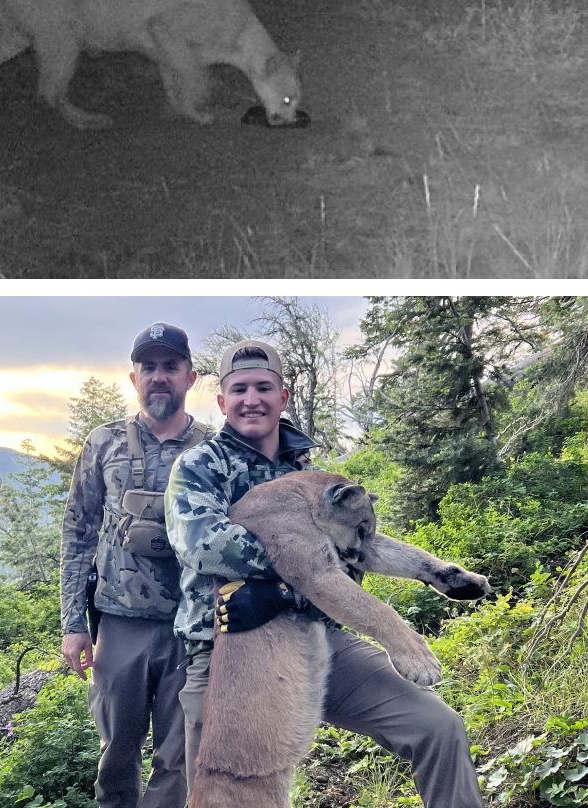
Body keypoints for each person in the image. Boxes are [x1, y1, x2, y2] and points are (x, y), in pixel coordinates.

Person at [165, 339, 481, 808]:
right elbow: (202, 547)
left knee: (438, 727)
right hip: (228, 653)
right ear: (222, 402)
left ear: (283, 397)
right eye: (239, 389)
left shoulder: (313, 475)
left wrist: (434, 571)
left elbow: (356, 548)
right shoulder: (199, 466)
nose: (251, 399)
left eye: (263, 388)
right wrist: (307, 576)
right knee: (225, 793)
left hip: (316, 635)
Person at [59, 322, 216, 808]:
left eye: (170, 366)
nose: (159, 377)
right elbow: (78, 531)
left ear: (190, 377)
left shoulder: (214, 449)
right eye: (148, 367)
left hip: (191, 629)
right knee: (116, 754)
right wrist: (73, 624)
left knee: (179, 760)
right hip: (118, 624)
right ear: (134, 378)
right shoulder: (102, 443)